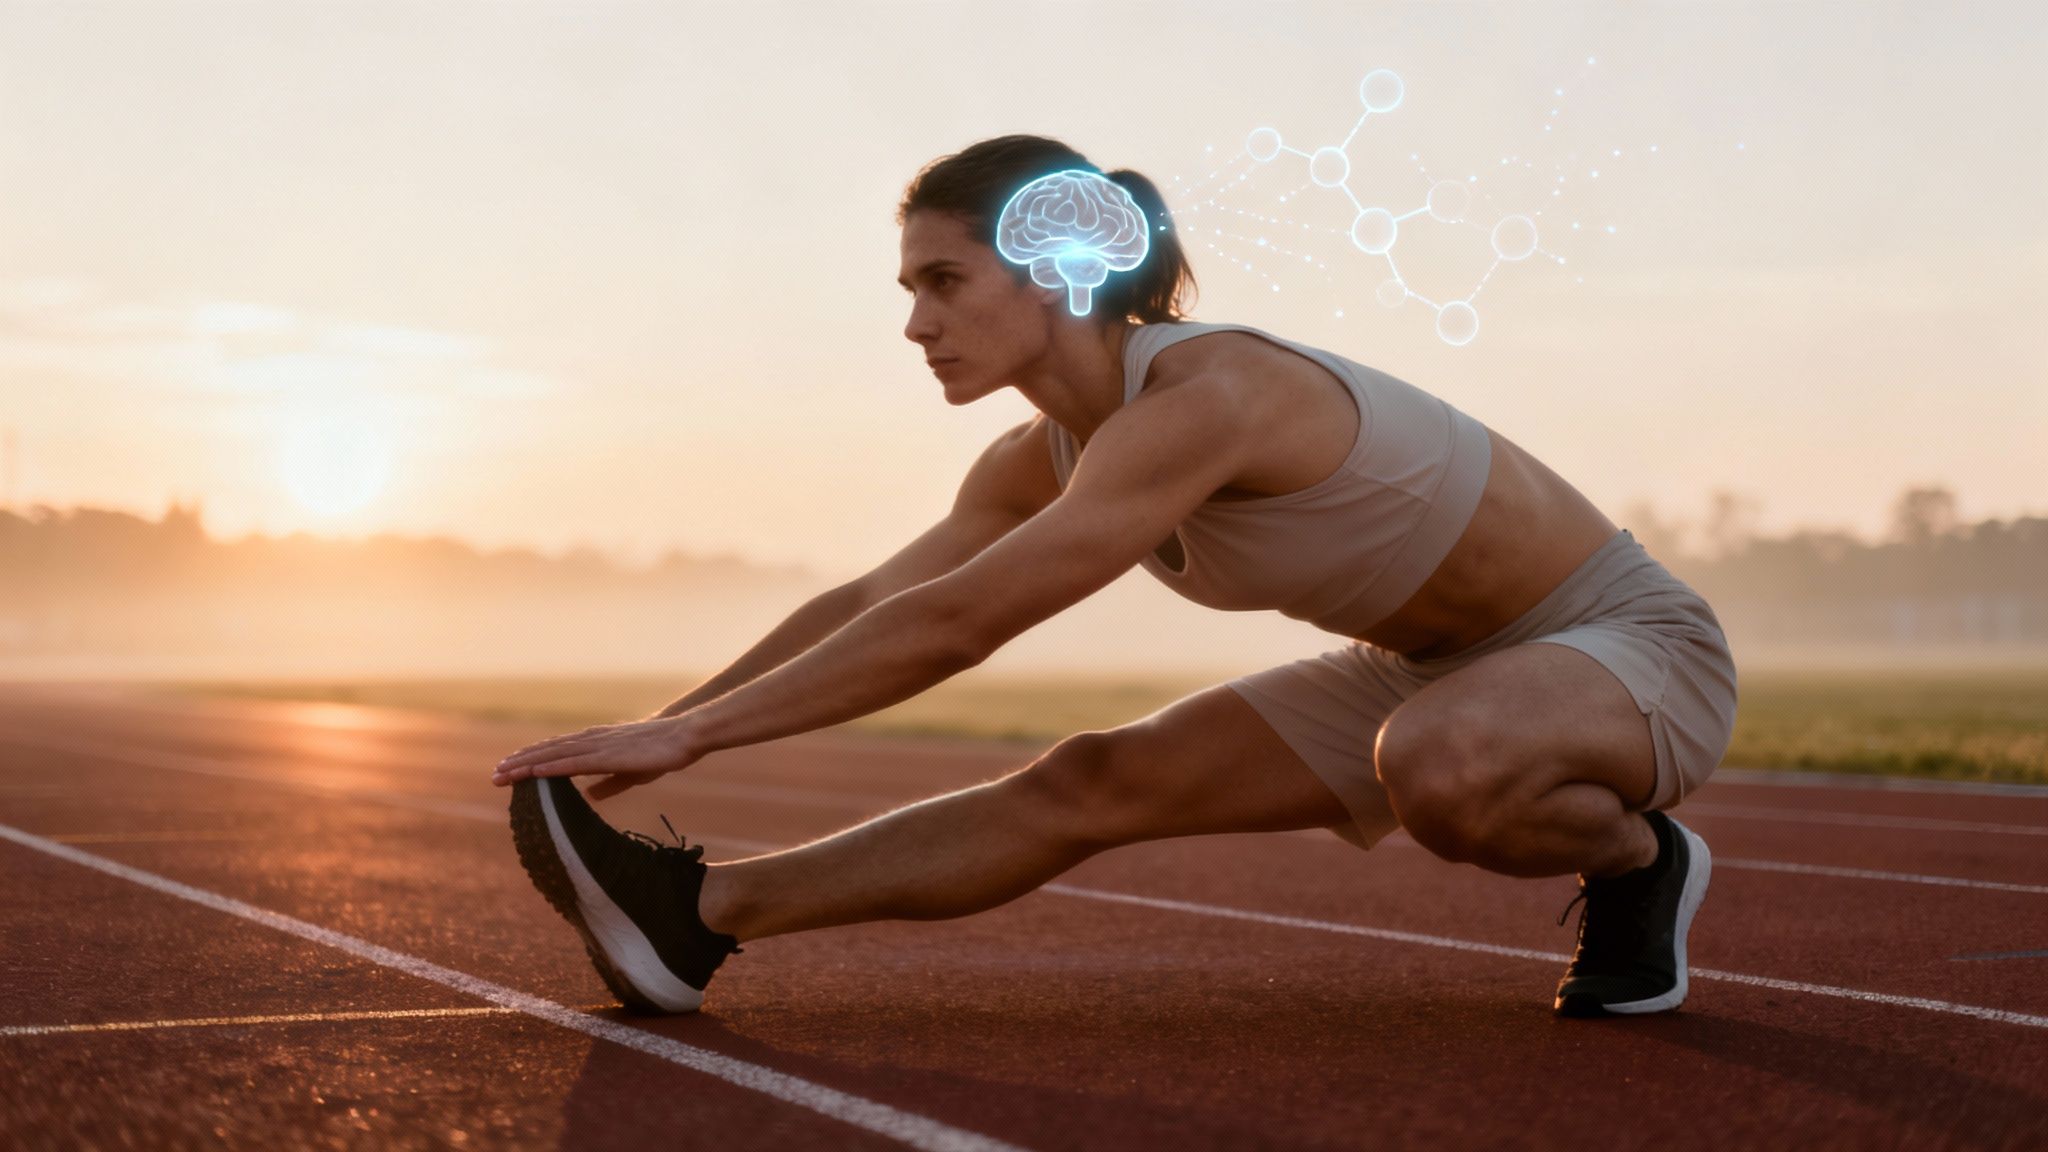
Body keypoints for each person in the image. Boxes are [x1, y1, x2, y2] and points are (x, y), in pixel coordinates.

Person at [490, 134, 1739, 1019]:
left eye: (944, 282)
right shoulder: (1037, 456)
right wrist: (669, 727)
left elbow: (963, 621)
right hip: (1424, 669)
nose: (916, 324)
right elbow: (878, 600)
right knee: (1088, 778)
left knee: (1440, 762)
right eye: (909, 288)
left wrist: (699, 738)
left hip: (1623, 645)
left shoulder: (1212, 395)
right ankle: (695, 918)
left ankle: (1639, 862)